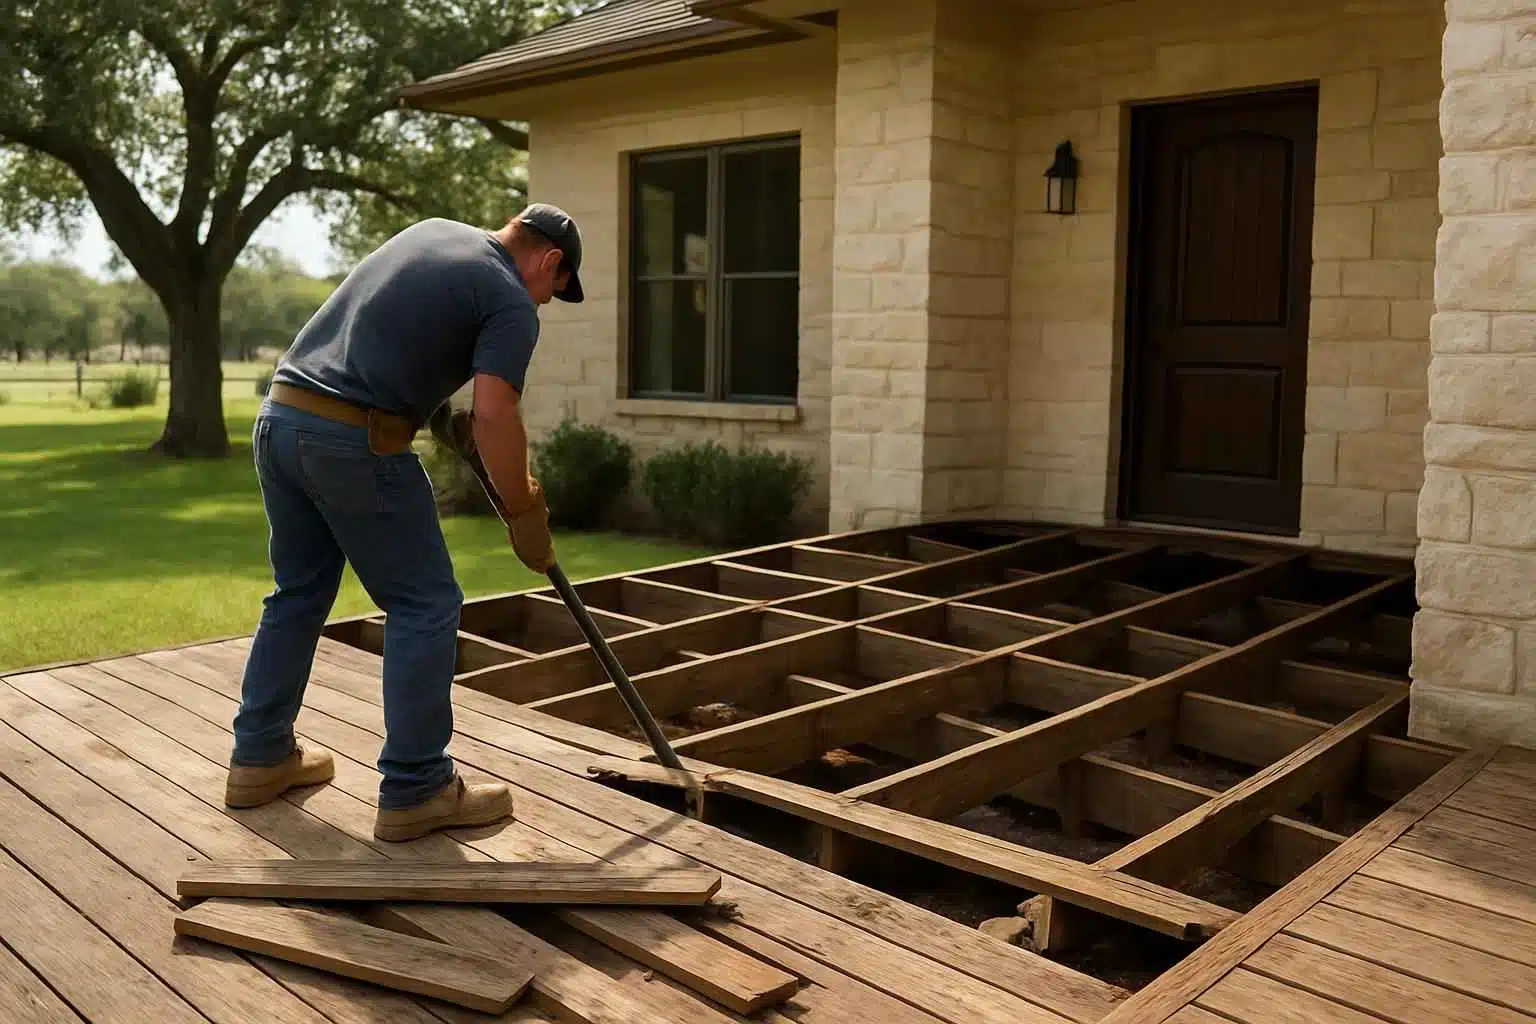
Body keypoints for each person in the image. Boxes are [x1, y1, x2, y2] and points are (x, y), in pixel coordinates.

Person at [223, 203, 584, 842]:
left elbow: (390, 337)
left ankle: (259, 758)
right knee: (425, 602)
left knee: (299, 593)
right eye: (554, 293)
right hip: (352, 439)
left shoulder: (434, 234)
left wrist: (436, 414)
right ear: (550, 262)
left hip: (280, 420)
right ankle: (418, 788)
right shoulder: (509, 300)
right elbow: (496, 415)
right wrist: (524, 510)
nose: (544, 306)